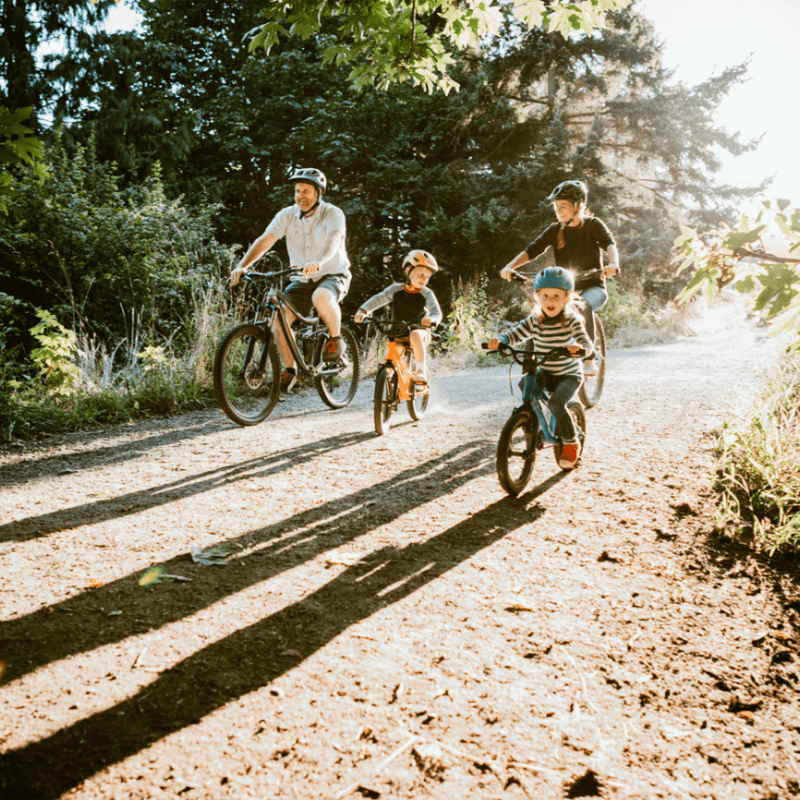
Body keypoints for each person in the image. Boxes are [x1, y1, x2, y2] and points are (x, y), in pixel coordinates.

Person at [230, 167, 351, 393]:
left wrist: (319, 262)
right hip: (302, 277)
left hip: (332, 272)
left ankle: (336, 340)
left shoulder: (333, 213)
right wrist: (242, 266)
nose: (300, 196)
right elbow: (265, 240)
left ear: (318, 193)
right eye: (297, 191)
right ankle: (290, 370)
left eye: (306, 191)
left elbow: (333, 241)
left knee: (322, 296)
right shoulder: (287, 215)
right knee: (278, 319)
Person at [499, 180, 619, 375]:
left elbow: (609, 244)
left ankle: (588, 357)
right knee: (541, 313)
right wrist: (510, 266)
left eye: (563, 206)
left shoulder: (592, 225)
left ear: (578, 205)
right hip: (565, 290)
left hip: (594, 288)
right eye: (556, 207)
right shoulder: (556, 230)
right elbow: (533, 249)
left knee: (583, 305)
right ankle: (533, 363)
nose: (558, 210)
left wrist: (613, 264)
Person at [487, 266, 591, 469]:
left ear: (566, 298)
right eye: (545, 296)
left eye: (555, 296)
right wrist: (500, 340)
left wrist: (579, 348)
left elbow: (587, 345)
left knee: (556, 404)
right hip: (547, 370)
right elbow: (513, 335)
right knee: (526, 382)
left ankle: (571, 442)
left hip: (569, 375)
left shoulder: (572, 321)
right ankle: (531, 423)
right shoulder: (535, 321)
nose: (550, 301)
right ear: (537, 298)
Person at [354, 250, 443, 384]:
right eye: (421, 274)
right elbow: (378, 299)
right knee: (386, 360)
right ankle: (385, 392)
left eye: (427, 277)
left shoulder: (426, 293)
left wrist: (432, 320)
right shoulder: (396, 289)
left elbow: (437, 312)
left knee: (415, 335)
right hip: (398, 333)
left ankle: (420, 370)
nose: (424, 279)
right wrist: (363, 310)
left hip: (420, 332)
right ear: (408, 270)